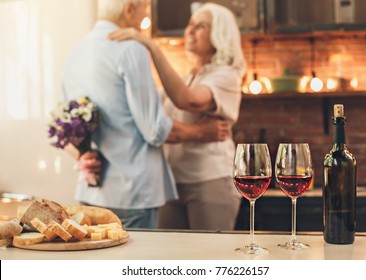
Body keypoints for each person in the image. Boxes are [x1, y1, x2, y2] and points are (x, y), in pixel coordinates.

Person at [62, 0, 228, 229]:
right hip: (132, 193)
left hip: (91, 193)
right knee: (134, 264)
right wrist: (200, 132)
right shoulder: (131, 48)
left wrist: (82, 156)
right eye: (145, 11)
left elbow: (65, 124)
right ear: (129, 9)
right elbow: (154, 130)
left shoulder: (77, 50)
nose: (144, 19)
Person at [109, 2, 247, 230]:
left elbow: (189, 100)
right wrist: (198, 132)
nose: (190, 31)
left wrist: (151, 47)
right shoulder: (187, 77)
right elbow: (153, 123)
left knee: (209, 257)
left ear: (220, 34)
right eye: (190, 24)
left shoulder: (226, 76)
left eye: (200, 26)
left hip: (210, 180)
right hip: (171, 181)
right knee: (172, 255)